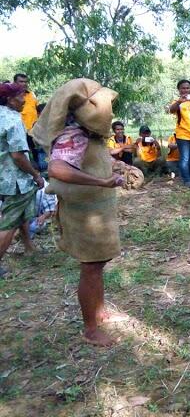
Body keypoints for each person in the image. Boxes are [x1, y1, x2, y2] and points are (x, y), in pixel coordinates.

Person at [32, 78, 126, 346]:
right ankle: (90, 328)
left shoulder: (88, 134)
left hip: (95, 211)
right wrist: (101, 182)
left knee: (97, 264)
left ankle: (100, 314)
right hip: (84, 216)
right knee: (91, 267)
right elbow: (57, 169)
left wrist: (116, 167)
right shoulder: (73, 134)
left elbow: (97, 159)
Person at [0, 83, 44, 278]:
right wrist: (35, 174)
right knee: (9, 223)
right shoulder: (12, 120)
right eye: (20, 96)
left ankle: (29, 247)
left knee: (21, 214)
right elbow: (18, 156)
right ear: (9, 100)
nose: (24, 99)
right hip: (15, 180)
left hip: (3, 176)